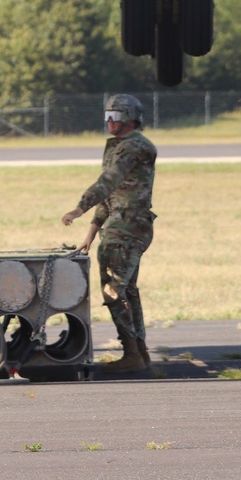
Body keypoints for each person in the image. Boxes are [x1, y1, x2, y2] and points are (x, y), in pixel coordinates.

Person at [61, 93, 156, 374]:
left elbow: (108, 182)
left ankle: (132, 354)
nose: (109, 123)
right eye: (107, 117)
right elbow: (112, 196)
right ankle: (139, 352)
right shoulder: (120, 146)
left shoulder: (135, 147)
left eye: (114, 117)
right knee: (128, 291)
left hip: (128, 226)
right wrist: (91, 231)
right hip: (121, 223)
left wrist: (79, 208)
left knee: (114, 290)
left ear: (129, 119)